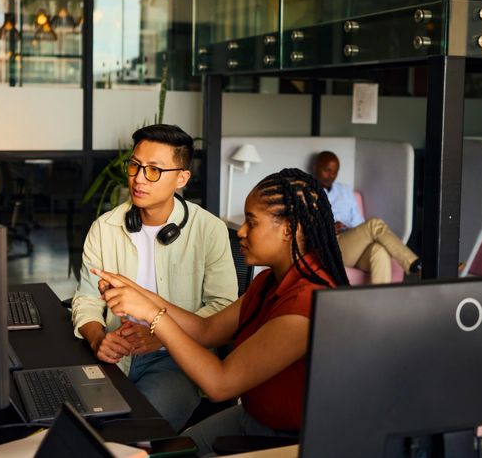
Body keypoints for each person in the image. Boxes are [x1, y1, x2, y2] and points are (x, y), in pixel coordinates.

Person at [93, 168, 349, 456]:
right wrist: (141, 294)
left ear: (290, 229)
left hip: (287, 441)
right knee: (165, 452)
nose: (240, 231)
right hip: (251, 419)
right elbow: (209, 330)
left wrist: (154, 316)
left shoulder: (306, 304)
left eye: (251, 223)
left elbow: (220, 383)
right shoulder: (269, 280)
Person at [70, 124, 238, 432]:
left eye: (154, 170)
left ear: (181, 178)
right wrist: (98, 339)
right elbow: (86, 298)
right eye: (135, 166)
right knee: (76, 425)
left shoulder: (209, 230)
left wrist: (162, 334)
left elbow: (223, 308)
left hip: (175, 360)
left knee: (133, 433)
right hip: (114, 354)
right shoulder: (104, 227)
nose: (138, 178)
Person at [313, 150, 421, 282]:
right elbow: (304, 230)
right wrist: (327, 229)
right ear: (315, 167)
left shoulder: (345, 191)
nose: (331, 175)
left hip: (352, 243)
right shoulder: (306, 193)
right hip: (332, 246)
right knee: (374, 224)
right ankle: (414, 265)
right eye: (327, 170)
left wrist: (355, 232)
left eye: (335, 172)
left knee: (379, 251)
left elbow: (359, 222)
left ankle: (378, 301)